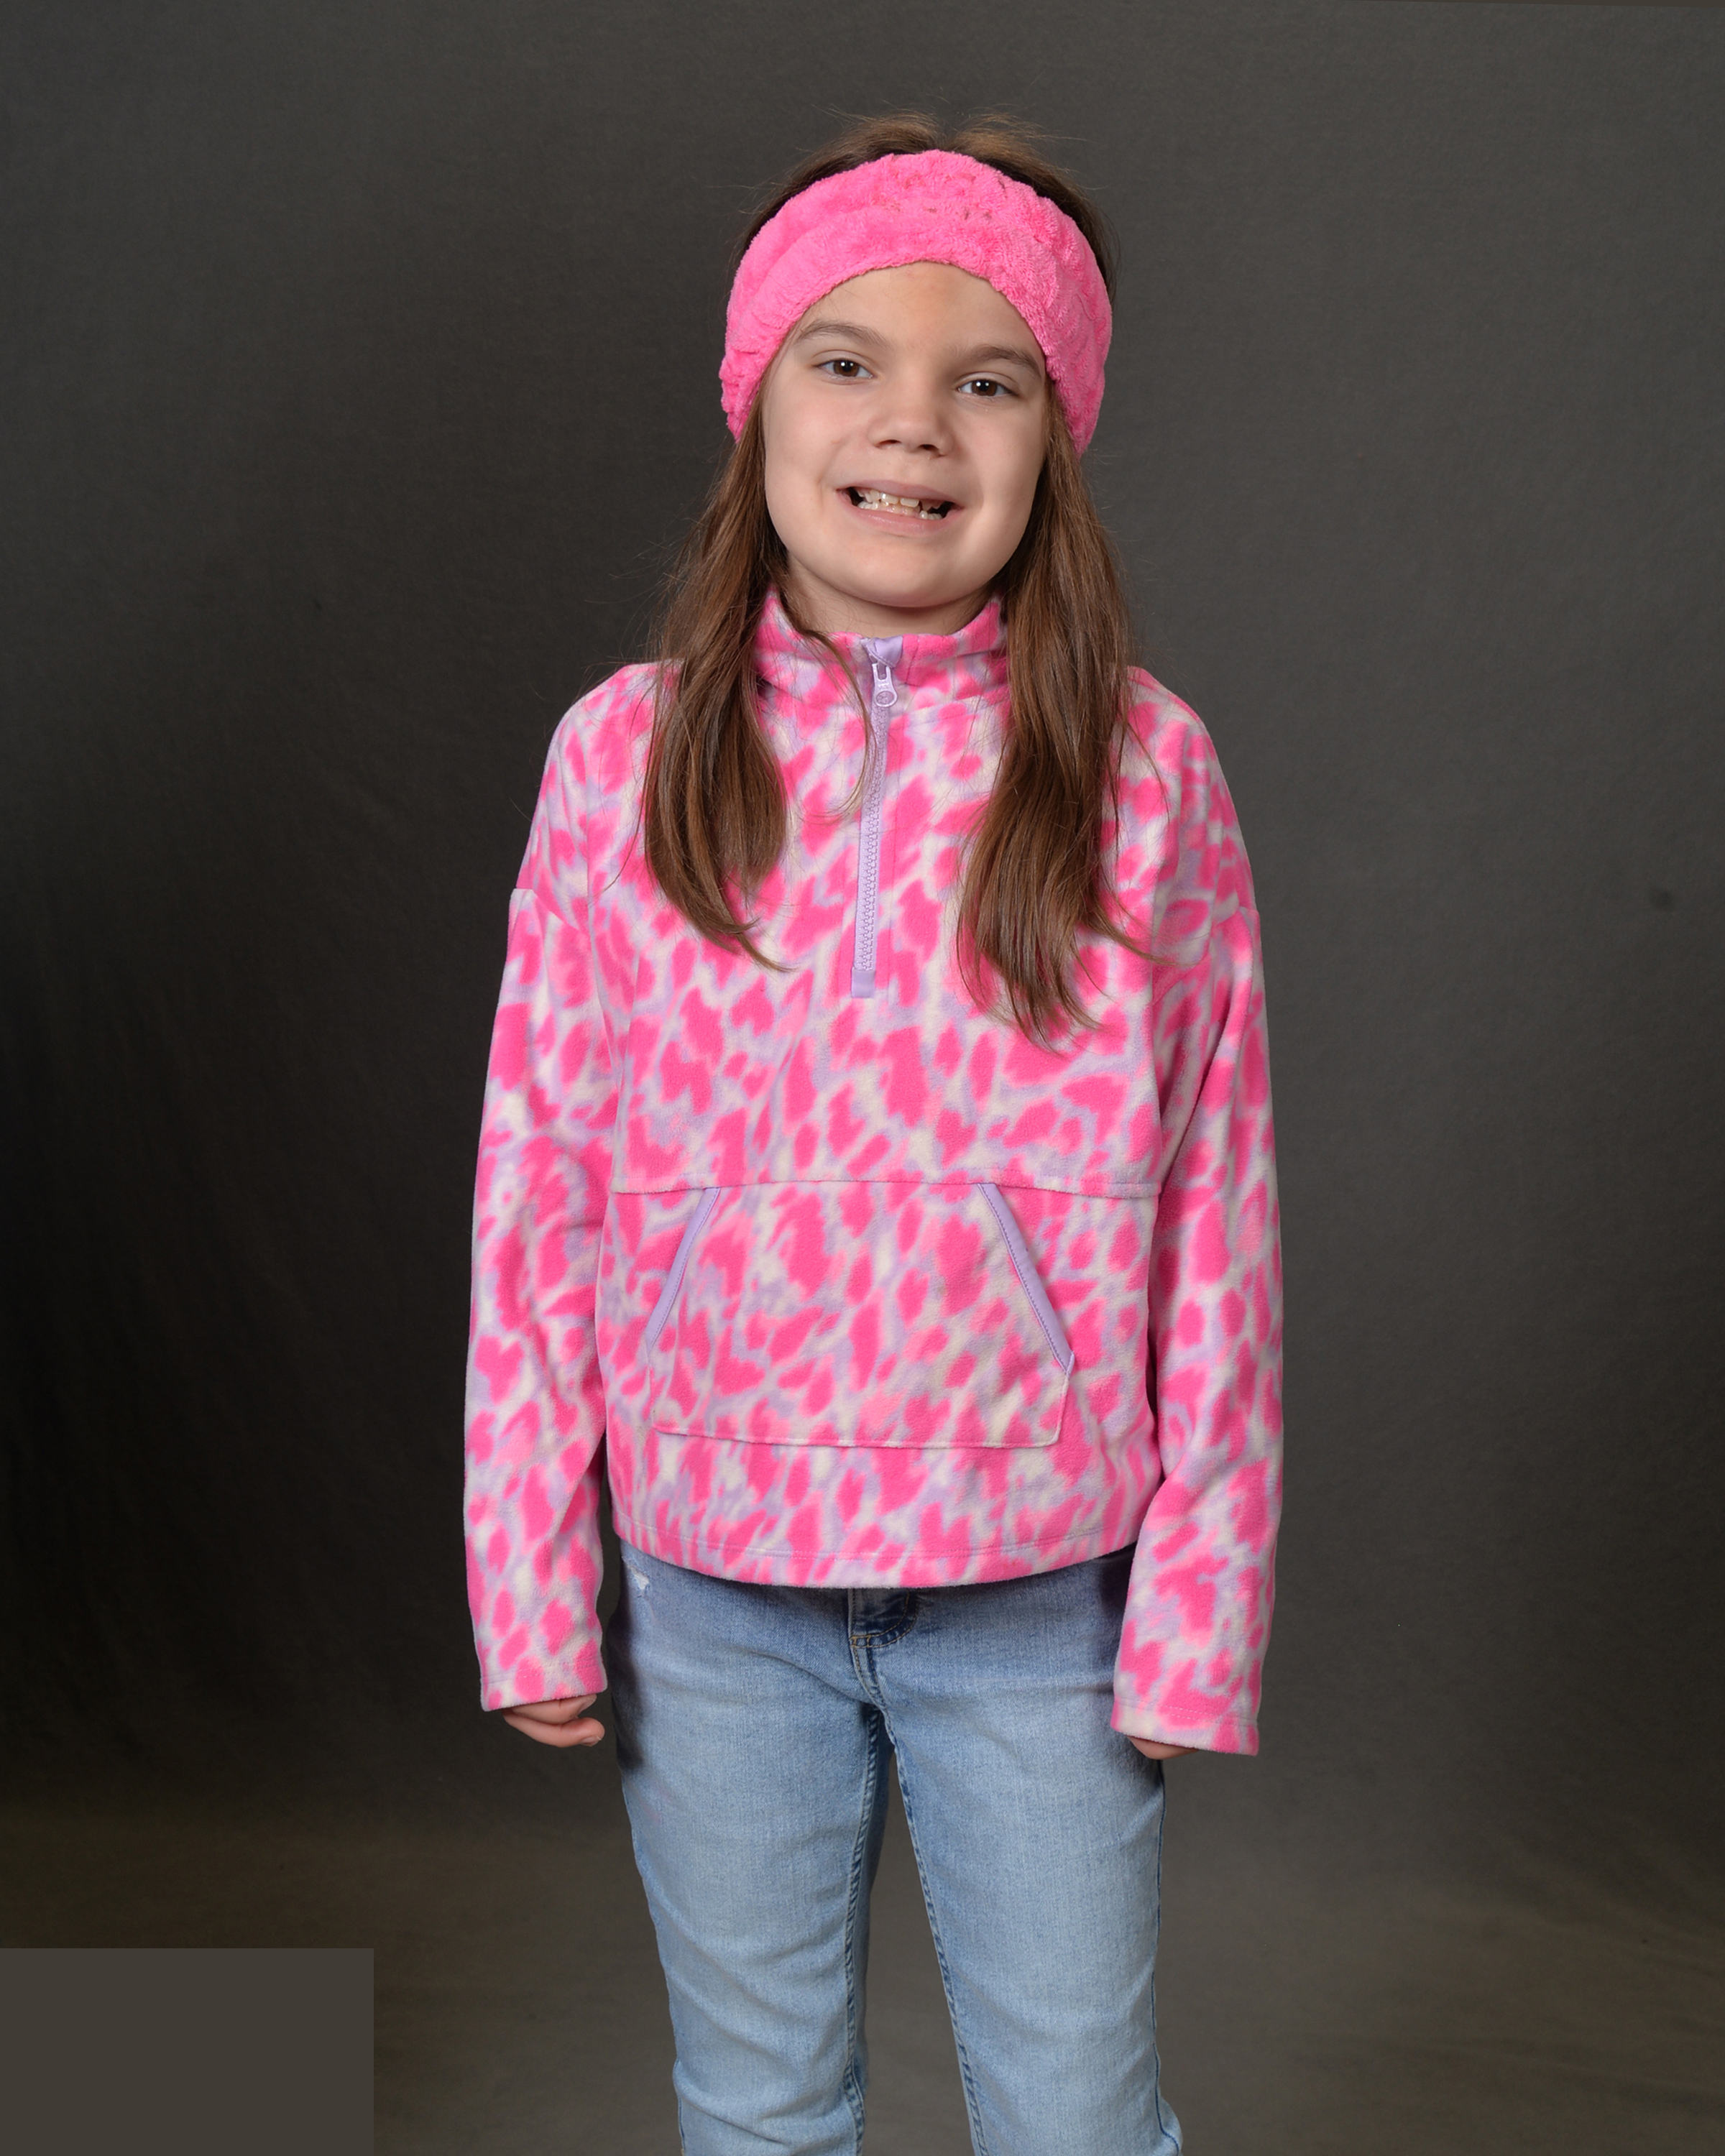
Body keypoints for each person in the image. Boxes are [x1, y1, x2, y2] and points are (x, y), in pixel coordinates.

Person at [463, 113, 1282, 2156]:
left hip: (1041, 1598)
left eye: (986, 380)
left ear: (1053, 442)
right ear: (757, 403)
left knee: (1079, 2116)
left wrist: (1199, 1613)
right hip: (708, 1592)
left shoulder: (1145, 769)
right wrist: (529, 1574)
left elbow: (1222, 1210)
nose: (912, 422)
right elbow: (539, 1186)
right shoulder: (621, 757)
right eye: (847, 360)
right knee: (758, 2111)